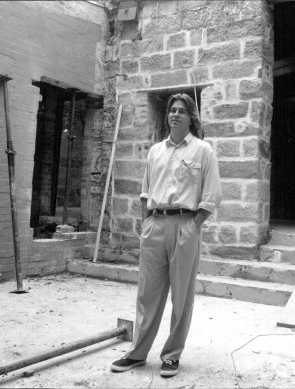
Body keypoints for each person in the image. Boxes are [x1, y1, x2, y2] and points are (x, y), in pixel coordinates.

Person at [111, 93, 222, 377]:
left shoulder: (203, 151)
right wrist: (145, 223)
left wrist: (194, 225)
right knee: (147, 293)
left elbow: (212, 196)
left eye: (181, 111)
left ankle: (172, 354)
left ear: (191, 117)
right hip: (155, 224)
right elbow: (146, 192)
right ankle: (137, 353)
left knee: (181, 295)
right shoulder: (155, 152)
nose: (175, 115)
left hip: (185, 224)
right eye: (172, 110)